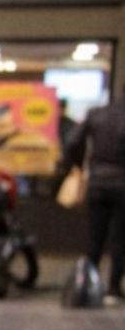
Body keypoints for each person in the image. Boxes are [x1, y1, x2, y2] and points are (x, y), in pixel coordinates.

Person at [64, 91, 125, 302]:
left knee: (94, 237)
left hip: (98, 182)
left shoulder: (97, 114)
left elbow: (72, 142)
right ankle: (114, 289)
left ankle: (88, 288)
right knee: (120, 238)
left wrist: (79, 165)